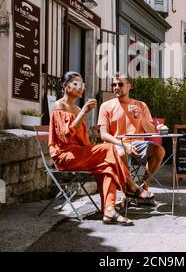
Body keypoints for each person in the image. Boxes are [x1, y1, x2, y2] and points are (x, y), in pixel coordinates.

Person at [49, 71, 153, 226]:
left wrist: (82, 114)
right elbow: (64, 137)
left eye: (82, 85)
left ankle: (109, 211)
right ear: (65, 86)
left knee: (107, 167)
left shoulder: (77, 110)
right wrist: (84, 112)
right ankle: (131, 185)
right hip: (65, 155)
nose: (80, 88)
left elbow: (83, 141)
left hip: (80, 154)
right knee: (109, 149)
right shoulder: (59, 105)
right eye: (76, 84)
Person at [98, 74, 165, 191]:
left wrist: (142, 118)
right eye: (114, 85)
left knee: (159, 151)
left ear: (129, 86)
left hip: (138, 145)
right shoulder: (106, 106)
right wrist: (123, 144)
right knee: (121, 153)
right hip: (116, 145)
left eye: (120, 84)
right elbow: (104, 135)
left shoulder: (141, 105)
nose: (116, 87)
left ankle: (144, 186)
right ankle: (129, 191)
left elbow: (151, 131)